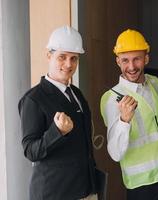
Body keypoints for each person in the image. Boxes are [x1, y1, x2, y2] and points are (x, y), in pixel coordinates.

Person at [100, 29, 158, 200]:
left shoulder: (154, 82)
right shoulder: (111, 98)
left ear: (146, 58)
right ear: (118, 61)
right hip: (143, 185)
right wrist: (124, 121)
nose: (131, 67)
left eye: (137, 59)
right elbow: (115, 153)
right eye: (125, 60)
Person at [18, 26, 103, 200]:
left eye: (74, 58)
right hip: (55, 193)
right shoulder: (34, 99)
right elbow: (30, 151)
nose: (68, 64)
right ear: (49, 56)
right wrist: (57, 132)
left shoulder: (77, 94)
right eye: (62, 57)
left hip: (85, 190)